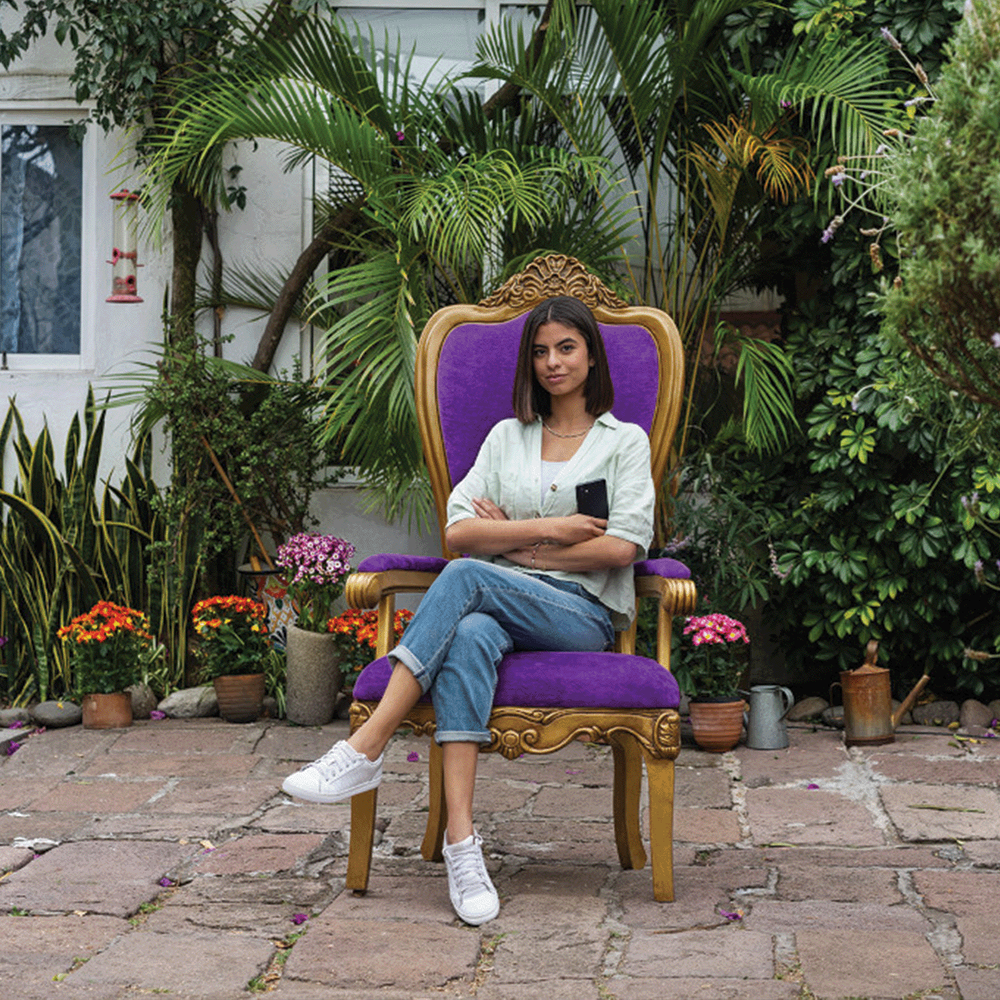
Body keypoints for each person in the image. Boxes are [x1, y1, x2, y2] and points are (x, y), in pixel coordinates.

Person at [282, 295, 655, 925]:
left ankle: (366, 746)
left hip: (580, 614)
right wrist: (555, 530)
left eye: (566, 348)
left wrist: (512, 542)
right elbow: (459, 531)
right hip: (498, 602)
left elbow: (622, 546)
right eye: (541, 351)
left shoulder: (623, 443)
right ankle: (462, 846)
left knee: (467, 578)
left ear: (591, 355)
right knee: (471, 633)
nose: (553, 362)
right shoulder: (507, 438)